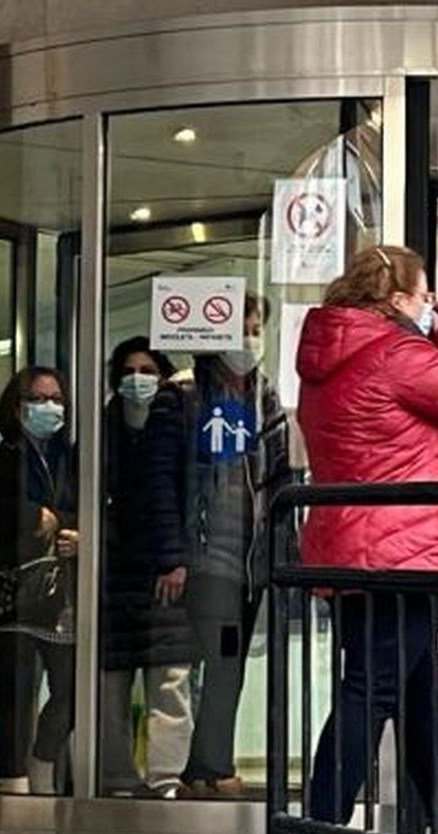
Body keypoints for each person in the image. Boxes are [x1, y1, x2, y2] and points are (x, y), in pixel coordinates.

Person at [289, 246, 438, 834]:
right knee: (376, 688)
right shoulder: (395, 352)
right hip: (402, 547)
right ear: (400, 296)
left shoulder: (332, 355)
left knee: (417, 693)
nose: (430, 303)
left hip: (362, 546)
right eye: (425, 292)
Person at [146, 295, 293, 798]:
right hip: (207, 559)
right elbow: (160, 482)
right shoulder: (183, 396)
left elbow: (277, 480)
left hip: (250, 562)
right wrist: (172, 556)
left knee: (229, 663)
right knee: (218, 659)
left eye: (257, 329)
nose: (251, 340)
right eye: (242, 330)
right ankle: (207, 767)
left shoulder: (264, 397)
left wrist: (281, 557)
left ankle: (206, 767)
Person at [0, 367, 79, 795]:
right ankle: (12, 780)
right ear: (18, 405)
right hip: (9, 591)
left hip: (58, 592)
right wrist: (30, 517)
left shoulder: (72, 455)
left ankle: (43, 764)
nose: (50, 407)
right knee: (16, 689)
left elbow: (96, 506)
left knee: (71, 690)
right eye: (39, 398)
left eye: (57, 398)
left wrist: (72, 529)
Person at [99, 338, 199, 798]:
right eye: (129, 370)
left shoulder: (177, 419)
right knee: (113, 682)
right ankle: (116, 774)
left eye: (147, 369)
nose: (137, 379)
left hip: (163, 568)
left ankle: (165, 777)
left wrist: (173, 558)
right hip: (116, 572)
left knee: (169, 678)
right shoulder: (105, 426)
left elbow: (173, 494)